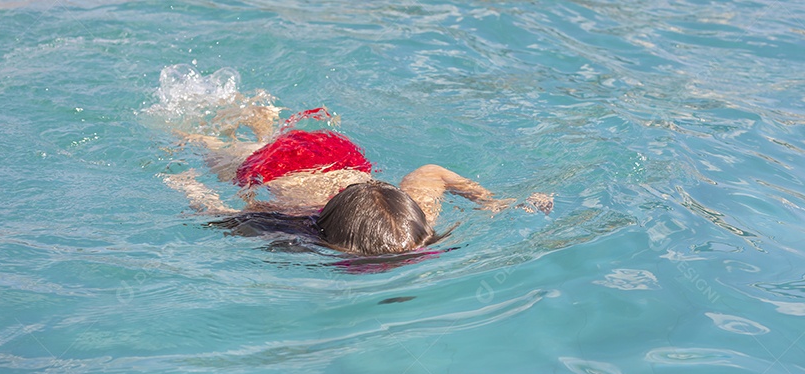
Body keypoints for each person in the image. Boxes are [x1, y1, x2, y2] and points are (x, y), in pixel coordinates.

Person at [162, 95, 551, 256]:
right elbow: (219, 214)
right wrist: (188, 183)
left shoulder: (416, 222)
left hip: (336, 155)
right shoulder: (289, 223)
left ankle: (263, 122)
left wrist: (495, 203)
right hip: (274, 165)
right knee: (207, 145)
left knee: (239, 140)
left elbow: (430, 171)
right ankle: (182, 128)